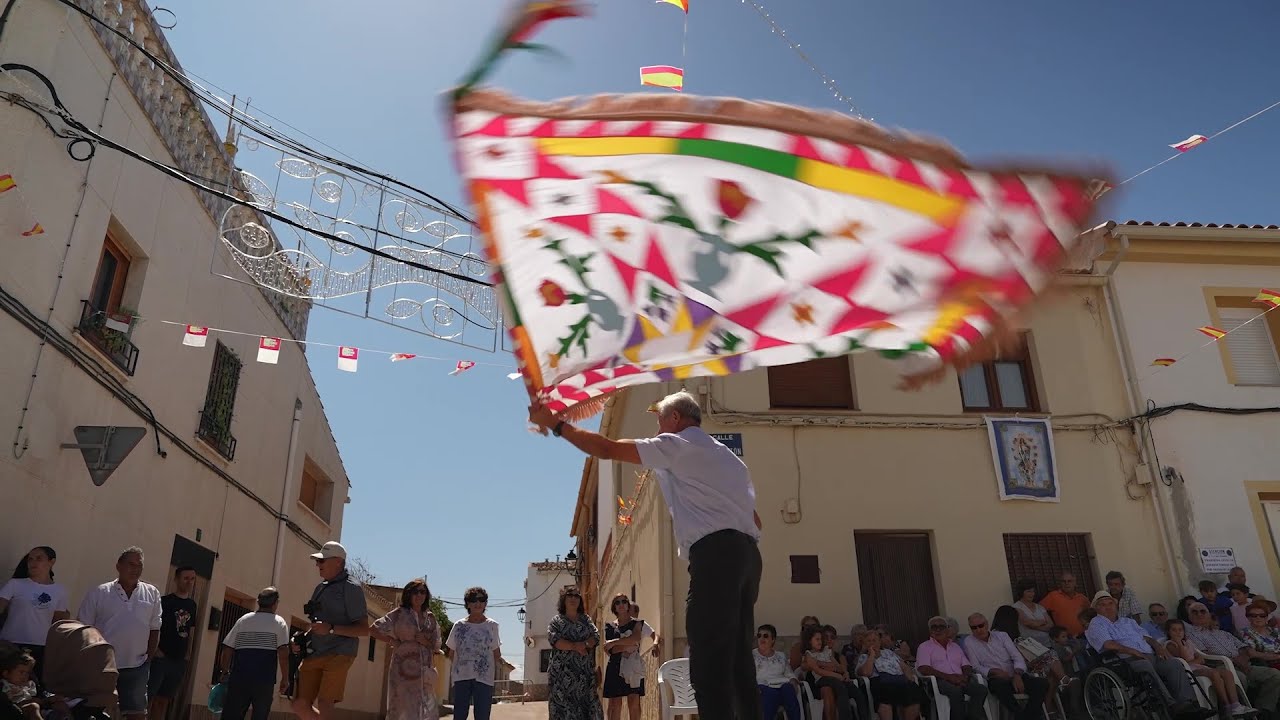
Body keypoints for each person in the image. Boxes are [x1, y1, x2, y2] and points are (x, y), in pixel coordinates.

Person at [528, 391, 762, 720]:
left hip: (716, 556)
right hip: (748, 557)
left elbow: (606, 448)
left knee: (709, 663)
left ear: (676, 419)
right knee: (739, 661)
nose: (656, 427)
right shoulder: (730, 458)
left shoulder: (676, 445)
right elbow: (755, 519)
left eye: (660, 419)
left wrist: (554, 423)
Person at [76, 546, 162, 720]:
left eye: (139, 566)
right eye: (131, 564)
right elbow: (83, 628)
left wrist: (148, 659)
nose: (135, 569)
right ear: (118, 566)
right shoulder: (99, 592)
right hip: (103, 667)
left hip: (137, 667)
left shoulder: (152, 593)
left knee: (136, 713)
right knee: (98, 711)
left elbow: (155, 628)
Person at [1084, 590, 1200, 715]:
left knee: (1174, 664)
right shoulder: (1096, 623)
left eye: (1110, 603)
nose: (1108, 607)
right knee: (1144, 665)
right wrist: (1132, 651)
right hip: (1123, 662)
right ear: (1096, 608)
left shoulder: (1128, 622)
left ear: (1116, 605)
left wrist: (1158, 646)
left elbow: (1146, 637)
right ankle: (1171, 704)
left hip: (1148, 656)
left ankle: (1188, 703)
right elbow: (1108, 644)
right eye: (1102, 604)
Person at [293, 542, 369, 720]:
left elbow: (364, 629)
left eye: (322, 561)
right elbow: (316, 625)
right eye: (317, 562)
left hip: (340, 653)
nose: (317, 565)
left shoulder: (352, 588)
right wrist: (301, 639)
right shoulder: (320, 588)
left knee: (325, 702)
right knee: (299, 705)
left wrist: (332, 629)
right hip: (316, 651)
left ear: (337, 562)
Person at [370, 579, 440, 720]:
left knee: (424, 709)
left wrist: (425, 641)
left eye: (423, 592)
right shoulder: (399, 614)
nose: (419, 595)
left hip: (424, 671)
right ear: (408, 594)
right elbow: (374, 629)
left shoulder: (430, 617)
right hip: (402, 670)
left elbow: (437, 645)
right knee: (401, 707)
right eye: (415, 591)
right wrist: (392, 641)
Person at [217, 587, 290, 720]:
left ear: (258, 602)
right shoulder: (279, 623)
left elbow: (227, 648)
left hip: (239, 679)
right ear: (275, 603)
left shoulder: (243, 620)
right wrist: (285, 678)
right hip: (264, 681)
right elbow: (283, 653)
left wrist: (224, 671)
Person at [0, 547, 69, 687]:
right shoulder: (16, 584)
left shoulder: (60, 591)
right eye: (30, 559)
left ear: (51, 562)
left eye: (39, 558)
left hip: (40, 647)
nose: (33, 562)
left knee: (33, 687)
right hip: (11, 645)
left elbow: (58, 623)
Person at [963, 613, 1047, 720]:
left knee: (1041, 683)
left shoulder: (1002, 636)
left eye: (981, 625)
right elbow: (975, 666)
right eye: (974, 628)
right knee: (1000, 686)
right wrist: (992, 671)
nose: (978, 630)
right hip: (996, 679)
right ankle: (1020, 715)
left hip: (1015, 675)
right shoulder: (969, 642)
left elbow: (1017, 657)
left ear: (987, 624)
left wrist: (1017, 674)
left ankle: (1026, 716)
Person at [1164, 618, 1250, 716]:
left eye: (1180, 630)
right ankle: (1226, 706)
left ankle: (1235, 705)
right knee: (1215, 673)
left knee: (1227, 673)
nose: (1178, 633)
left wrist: (1194, 660)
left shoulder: (1188, 642)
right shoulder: (1170, 644)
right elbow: (1184, 659)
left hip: (1198, 666)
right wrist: (1179, 643)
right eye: (1174, 630)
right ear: (1168, 632)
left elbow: (1201, 658)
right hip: (1187, 670)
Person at [148, 566, 198, 720]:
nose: (189, 582)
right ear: (176, 579)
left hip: (179, 661)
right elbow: (153, 626)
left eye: (192, 578)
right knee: (148, 697)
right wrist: (155, 650)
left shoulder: (192, 605)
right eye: (185, 578)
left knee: (164, 700)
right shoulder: (165, 601)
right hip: (161, 658)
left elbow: (191, 631)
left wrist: (188, 654)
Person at [546, 587, 602, 720]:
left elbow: (596, 637)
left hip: (584, 675)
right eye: (569, 596)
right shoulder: (556, 621)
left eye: (576, 596)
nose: (573, 598)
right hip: (561, 677)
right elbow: (554, 640)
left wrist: (586, 644)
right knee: (563, 712)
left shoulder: (586, 620)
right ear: (563, 600)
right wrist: (575, 646)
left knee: (588, 710)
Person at [447, 587, 502, 720]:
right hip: (462, 678)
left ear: (485, 604)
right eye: (473, 600)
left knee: (482, 716)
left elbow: (496, 653)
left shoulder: (492, 626)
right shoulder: (459, 625)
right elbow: (451, 652)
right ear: (467, 604)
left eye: (481, 600)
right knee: (459, 715)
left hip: (483, 679)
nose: (478, 603)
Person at [916, 616, 987, 720]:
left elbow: (966, 665)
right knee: (956, 691)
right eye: (934, 627)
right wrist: (949, 677)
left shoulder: (955, 646)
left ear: (947, 629)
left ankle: (973, 715)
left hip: (960, 678)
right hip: (939, 680)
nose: (938, 629)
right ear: (930, 630)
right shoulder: (924, 646)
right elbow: (924, 668)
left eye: (941, 626)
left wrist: (965, 676)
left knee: (981, 689)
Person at [603, 594, 657, 720]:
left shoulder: (637, 623)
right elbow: (612, 650)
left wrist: (614, 642)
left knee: (634, 701)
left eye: (623, 601)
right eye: (617, 602)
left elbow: (636, 639)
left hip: (633, 666)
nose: (621, 604)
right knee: (615, 703)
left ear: (628, 605)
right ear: (614, 607)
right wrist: (626, 645)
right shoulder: (609, 626)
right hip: (615, 666)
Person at [855, 629, 924, 720]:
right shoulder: (864, 657)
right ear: (865, 644)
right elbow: (866, 673)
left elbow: (904, 667)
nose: (872, 643)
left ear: (879, 642)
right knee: (883, 692)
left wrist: (909, 677)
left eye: (874, 640)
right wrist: (872, 655)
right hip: (880, 682)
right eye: (869, 641)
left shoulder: (889, 653)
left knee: (914, 690)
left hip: (899, 680)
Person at [799, 624, 852, 720]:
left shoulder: (836, 655)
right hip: (818, 684)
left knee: (838, 688)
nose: (829, 640)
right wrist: (834, 671)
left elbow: (841, 669)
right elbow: (811, 668)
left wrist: (843, 673)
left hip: (835, 681)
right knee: (828, 689)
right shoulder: (810, 654)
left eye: (832, 637)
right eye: (826, 637)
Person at [753, 625, 801, 720]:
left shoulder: (781, 656)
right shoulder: (751, 655)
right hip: (762, 687)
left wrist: (793, 681)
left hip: (781, 685)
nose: (762, 638)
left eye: (766, 636)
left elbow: (789, 673)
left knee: (788, 689)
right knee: (771, 694)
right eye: (759, 635)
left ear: (773, 639)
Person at [1040, 573, 1090, 638]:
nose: (1066, 583)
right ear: (1060, 583)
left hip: (1084, 636)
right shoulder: (1053, 596)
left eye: (1069, 581)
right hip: (1064, 639)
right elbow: (1037, 610)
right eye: (1063, 581)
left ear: (1075, 583)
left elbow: (1091, 616)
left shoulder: (1083, 598)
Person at [1012, 579, 1053, 645]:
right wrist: (1043, 622)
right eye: (1029, 591)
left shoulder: (1040, 607)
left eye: (1033, 591)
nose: (1032, 594)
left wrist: (1034, 625)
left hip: (1047, 643)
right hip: (1029, 645)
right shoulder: (1016, 607)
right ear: (1021, 592)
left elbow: (1051, 625)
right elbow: (1027, 622)